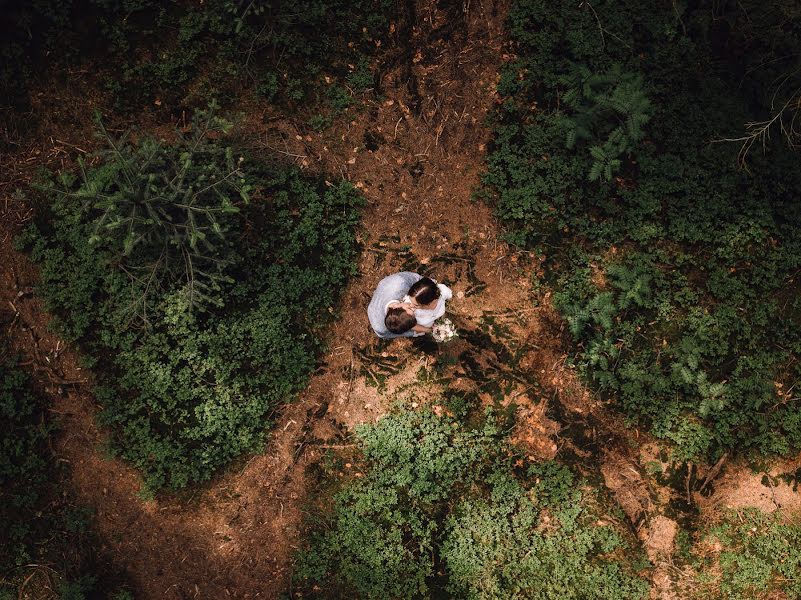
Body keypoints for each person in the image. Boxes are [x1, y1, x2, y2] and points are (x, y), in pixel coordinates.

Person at [367, 271, 433, 339]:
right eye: (411, 309)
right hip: (374, 309)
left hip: (387, 287)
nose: (413, 308)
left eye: (409, 308)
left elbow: (418, 279)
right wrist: (414, 333)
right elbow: (390, 335)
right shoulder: (380, 327)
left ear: (396, 306)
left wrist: (429, 289)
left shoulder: (401, 283)